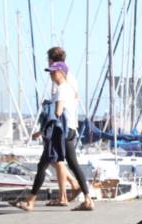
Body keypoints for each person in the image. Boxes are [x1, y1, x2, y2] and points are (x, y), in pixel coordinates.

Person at [12, 61, 95, 212]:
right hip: (70, 130)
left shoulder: (62, 90)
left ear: (62, 73)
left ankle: (30, 201)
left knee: (43, 164)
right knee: (72, 165)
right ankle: (88, 199)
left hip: (60, 132)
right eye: (50, 72)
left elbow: (57, 113)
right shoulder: (70, 88)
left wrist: (43, 130)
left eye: (54, 72)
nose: (51, 74)